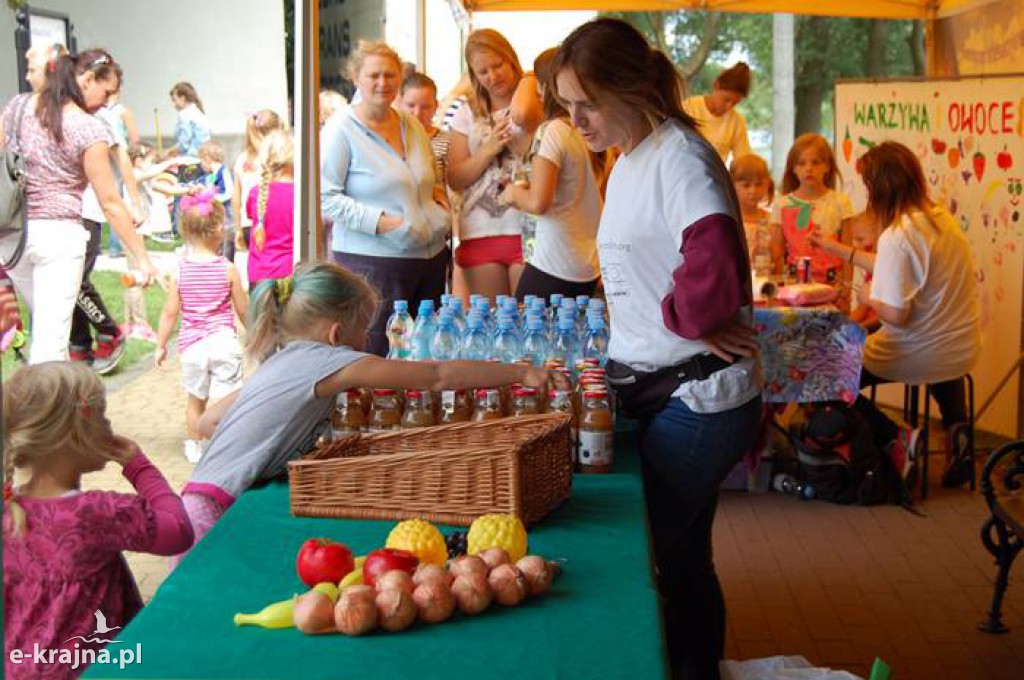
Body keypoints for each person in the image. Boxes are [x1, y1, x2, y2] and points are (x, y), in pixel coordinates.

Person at [552, 19, 761, 680]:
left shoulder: (681, 157)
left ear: (631, 86)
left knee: (635, 558)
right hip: (658, 383)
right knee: (683, 560)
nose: (575, 119)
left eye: (586, 102)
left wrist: (690, 317)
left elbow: (714, 257)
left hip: (699, 395)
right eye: (566, 106)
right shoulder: (631, 158)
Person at [171, 261, 566, 565]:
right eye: (364, 331)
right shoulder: (332, 360)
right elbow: (437, 376)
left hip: (192, 501)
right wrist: (523, 372)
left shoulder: (278, 364)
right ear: (336, 335)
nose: (367, 343)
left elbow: (208, 422)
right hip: (213, 514)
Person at [3, 362, 193, 680]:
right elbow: (178, 531)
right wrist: (139, 467)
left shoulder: (8, 512)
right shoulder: (95, 513)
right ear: (76, 434)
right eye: (102, 416)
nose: (108, 424)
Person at [810, 141, 981, 489]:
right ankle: (957, 431)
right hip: (961, 350)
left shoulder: (898, 235)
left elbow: (896, 315)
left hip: (919, 351)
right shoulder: (939, 219)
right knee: (940, 351)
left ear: (878, 188)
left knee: (828, 375)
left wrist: (867, 295)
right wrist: (835, 247)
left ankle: (897, 438)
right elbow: (900, 266)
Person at [0, 46, 157, 364]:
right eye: (106, 92)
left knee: (43, 330)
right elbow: (110, 201)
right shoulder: (87, 127)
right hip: (58, 236)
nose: (107, 101)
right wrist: (141, 257)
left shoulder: (17, 107)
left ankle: (45, 401)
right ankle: (48, 409)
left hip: (14, 236)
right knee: (51, 346)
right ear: (86, 80)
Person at [320, 40, 449, 357]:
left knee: (423, 356)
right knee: (377, 354)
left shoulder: (410, 124)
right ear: (355, 78)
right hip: (373, 263)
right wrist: (382, 224)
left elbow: (429, 176)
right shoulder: (341, 128)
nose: (382, 83)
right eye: (374, 75)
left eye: (390, 75)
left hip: (429, 259)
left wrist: (439, 208)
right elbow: (325, 198)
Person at [500, 48, 601, 300]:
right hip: (587, 263)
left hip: (554, 261)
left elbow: (538, 202)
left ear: (547, 88)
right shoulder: (587, 130)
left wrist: (512, 194)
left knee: (526, 334)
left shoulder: (553, 130)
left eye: (538, 87)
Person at [447, 29, 541, 299]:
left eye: (497, 65)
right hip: (480, 231)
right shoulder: (465, 112)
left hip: (528, 228)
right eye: (482, 71)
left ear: (511, 59)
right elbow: (454, 178)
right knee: (491, 327)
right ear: (473, 75)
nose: (492, 76)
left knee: (530, 322)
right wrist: (487, 150)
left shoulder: (533, 102)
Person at [155, 193, 246, 464]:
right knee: (227, 397)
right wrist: (255, 332)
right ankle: (225, 444)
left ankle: (196, 446)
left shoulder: (180, 271)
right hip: (223, 343)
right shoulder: (228, 269)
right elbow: (242, 309)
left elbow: (171, 312)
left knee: (196, 399)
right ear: (218, 230)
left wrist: (160, 345)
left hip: (193, 346)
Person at [773, 133, 854, 285]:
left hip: (832, 286)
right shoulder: (781, 205)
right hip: (794, 285)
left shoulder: (841, 202)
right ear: (793, 168)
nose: (808, 168)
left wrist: (847, 289)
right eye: (801, 163)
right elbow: (777, 253)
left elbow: (848, 252)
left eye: (815, 163)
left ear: (827, 166)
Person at [246, 129, 295, 287]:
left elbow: (251, 216)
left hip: (258, 274)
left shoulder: (256, 193)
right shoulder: (300, 195)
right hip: (288, 274)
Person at [232, 109, 284, 257]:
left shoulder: (241, 159)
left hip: (248, 224)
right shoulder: (277, 158)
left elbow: (236, 198)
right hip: (273, 223)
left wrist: (237, 229)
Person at [682, 63, 753, 164]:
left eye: (735, 103)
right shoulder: (688, 108)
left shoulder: (737, 122)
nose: (729, 107)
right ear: (716, 85)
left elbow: (742, 159)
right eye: (726, 100)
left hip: (713, 176)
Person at [730, 153, 783, 277]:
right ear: (732, 185)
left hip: (766, 282)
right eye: (746, 185)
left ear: (767, 184)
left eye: (758, 184)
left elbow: (778, 257)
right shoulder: (730, 221)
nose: (753, 191)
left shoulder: (771, 220)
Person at [198, 140, 235, 262]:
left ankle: (227, 264)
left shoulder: (223, 171)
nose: (201, 164)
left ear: (207, 158)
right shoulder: (211, 175)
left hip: (225, 214)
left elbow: (229, 192)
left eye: (201, 160)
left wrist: (214, 197)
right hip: (216, 213)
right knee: (216, 240)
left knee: (227, 241)